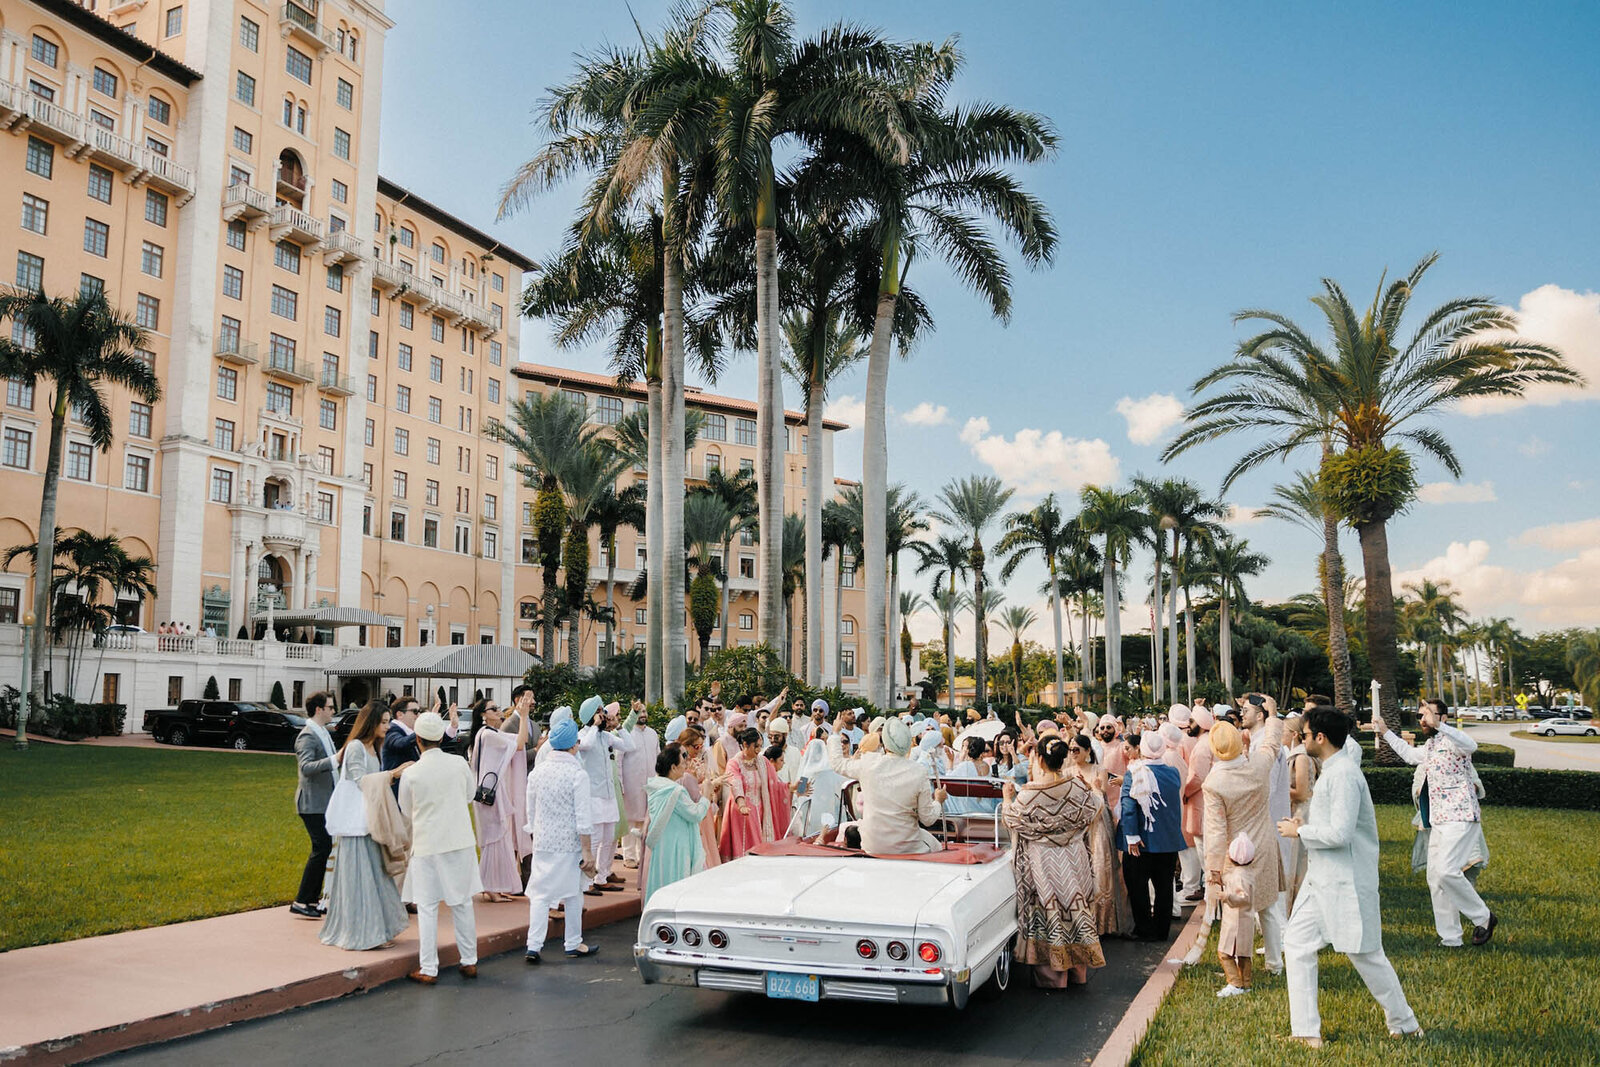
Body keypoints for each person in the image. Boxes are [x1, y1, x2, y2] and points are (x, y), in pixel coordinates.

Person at [1278, 709, 1422, 1047]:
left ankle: (1406, 1024)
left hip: (1345, 880)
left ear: (1320, 738)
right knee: (1296, 944)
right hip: (1323, 877)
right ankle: (1306, 1033)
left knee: (1366, 953)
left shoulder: (1343, 775)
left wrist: (1300, 833)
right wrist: (1306, 828)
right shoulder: (1335, 770)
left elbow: (1341, 834)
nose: (1302, 738)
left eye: (1306, 733)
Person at [1377, 698, 1496, 947]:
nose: (1422, 720)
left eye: (1427, 715)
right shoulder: (1431, 746)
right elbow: (1410, 755)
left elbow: (1471, 744)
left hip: (1460, 816)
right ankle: (1450, 938)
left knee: (1447, 871)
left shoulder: (1454, 741)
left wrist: (1440, 726)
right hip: (1438, 820)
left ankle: (1484, 918)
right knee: (1435, 878)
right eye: (1420, 716)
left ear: (1442, 717)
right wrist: (1386, 732)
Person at [1002, 734, 1106, 987]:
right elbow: (1096, 806)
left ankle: (1053, 977)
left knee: (1049, 910)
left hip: (1044, 861)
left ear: (1038, 757)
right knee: (1075, 906)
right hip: (1074, 857)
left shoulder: (1029, 795)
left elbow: (1014, 821)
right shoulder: (1078, 786)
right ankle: (1077, 971)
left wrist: (1007, 799)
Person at [1203, 714, 1286, 989]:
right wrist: (1272, 715)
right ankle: (1275, 963)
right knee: (1269, 906)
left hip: (1233, 854)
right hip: (1263, 843)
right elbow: (1273, 743)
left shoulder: (1214, 783)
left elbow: (1215, 832)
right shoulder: (1258, 766)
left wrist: (1213, 871)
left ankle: (1238, 969)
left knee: (1236, 913)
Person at [398, 711, 480, 984]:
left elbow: (406, 811)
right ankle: (469, 960)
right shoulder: (458, 764)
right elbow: (470, 795)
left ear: (417, 740)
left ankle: (429, 967)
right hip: (459, 840)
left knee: (428, 906)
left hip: (427, 843)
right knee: (462, 902)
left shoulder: (411, 773)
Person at [321, 701, 410, 950]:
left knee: (376, 874)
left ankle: (378, 928)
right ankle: (363, 931)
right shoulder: (356, 747)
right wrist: (393, 774)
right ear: (370, 723)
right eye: (383, 722)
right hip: (357, 823)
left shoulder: (374, 748)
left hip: (370, 819)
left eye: (388, 721)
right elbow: (361, 781)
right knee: (361, 876)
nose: (388, 726)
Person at [522, 717, 599, 964]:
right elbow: (583, 817)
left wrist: (536, 832)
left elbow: (530, 811)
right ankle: (573, 943)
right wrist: (587, 851)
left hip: (544, 841)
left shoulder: (538, 772)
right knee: (574, 893)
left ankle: (533, 946)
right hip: (570, 843)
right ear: (574, 745)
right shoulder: (577, 773)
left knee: (540, 894)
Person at [827, 717, 946, 855]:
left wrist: (835, 734)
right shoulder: (919, 771)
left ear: (885, 743)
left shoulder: (869, 764)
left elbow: (838, 764)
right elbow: (928, 819)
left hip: (872, 845)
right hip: (908, 847)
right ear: (908, 743)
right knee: (936, 845)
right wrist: (938, 800)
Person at [1239, 691, 1291, 968]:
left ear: (1261, 715)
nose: (1242, 714)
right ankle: (1275, 945)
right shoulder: (1257, 742)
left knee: (1270, 892)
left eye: (1246, 710)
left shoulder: (1267, 746)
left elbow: (1264, 790)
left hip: (1266, 824)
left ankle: (1281, 945)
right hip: (1263, 824)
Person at [1116, 732, 1184, 941]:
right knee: (1164, 887)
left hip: (1141, 839)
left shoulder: (1134, 773)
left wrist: (1131, 836)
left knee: (1138, 886)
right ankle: (1162, 930)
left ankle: (1145, 929)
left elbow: (1129, 806)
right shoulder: (1173, 773)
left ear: (1142, 749)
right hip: (1167, 839)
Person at [1069, 732, 1133, 938]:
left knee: (1101, 871)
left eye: (1076, 750)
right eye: (1070, 750)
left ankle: (1103, 923)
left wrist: (1087, 786)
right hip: (1076, 825)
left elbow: (1101, 793)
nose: (1073, 753)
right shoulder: (1067, 771)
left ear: (1088, 751)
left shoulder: (1099, 770)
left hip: (1097, 824)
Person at [469, 698, 529, 902]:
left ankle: (497, 885)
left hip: (491, 792)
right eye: (492, 709)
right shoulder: (486, 735)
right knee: (494, 839)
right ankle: (490, 887)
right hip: (490, 795)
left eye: (497, 707)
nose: (497, 711)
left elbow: (519, 740)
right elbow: (520, 744)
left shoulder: (490, 734)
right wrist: (524, 715)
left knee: (499, 839)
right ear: (483, 715)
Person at [576, 696, 636, 894]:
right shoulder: (584, 734)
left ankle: (602, 877)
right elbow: (585, 746)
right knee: (594, 839)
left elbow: (629, 746)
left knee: (610, 838)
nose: (604, 715)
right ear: (591, 716)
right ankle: (587, 882)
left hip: (609, 796)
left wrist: (618, 727)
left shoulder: (605, 736)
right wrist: (594, 726)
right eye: (600, 711)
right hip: (593, 796)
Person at [290, 691, 340, 919]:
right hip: (312, 804)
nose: (333, 711)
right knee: (321, 849)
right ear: (319, 709)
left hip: (323, 803)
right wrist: (334, 760)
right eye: (330, 707)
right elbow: (306, 767)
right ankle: (302, 900)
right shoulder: (308, 735)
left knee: (324, 849)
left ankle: (310, 898)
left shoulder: (322, 733)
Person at [643, 744, 713, 899]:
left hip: (663, 846)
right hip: (677, 847)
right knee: (678, 886)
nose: (686, 764)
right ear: (673, 767)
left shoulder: (657, 785)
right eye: (683, 760)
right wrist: (706, 794)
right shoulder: (675, 791)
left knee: (663, 881)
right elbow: (696, 814)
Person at [720, 727, 778, 859]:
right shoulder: (734, 763)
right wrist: (741, 805)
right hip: (741, 811)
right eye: (756, 746)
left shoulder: (763, 762)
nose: (758, 750)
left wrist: (791, 788)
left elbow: (775, 783)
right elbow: (736, 783)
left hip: (760, 810)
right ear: (745, 744)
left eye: (760, 746)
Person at [1214, 832, 1260, 996]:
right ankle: (1245, 983)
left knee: (1225, 954)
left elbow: (1242, 897)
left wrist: (1227, 896)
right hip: (1245, 921)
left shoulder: (1238, 876)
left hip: (1235, 923)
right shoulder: (1247, 872)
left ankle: (1234, 983)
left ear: (1231, 857)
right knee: (1244, 955)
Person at [618, 701, 661, 870]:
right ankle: (629, 855)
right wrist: (620, 784)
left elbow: (658, 758)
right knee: (631, 820)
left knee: (646, 819)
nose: (643, 714)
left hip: (650, 783)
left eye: (644, 711)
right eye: (639, 712)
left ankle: (642, 855)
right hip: (631, 783)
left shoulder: (653, 734)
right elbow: (619, 761)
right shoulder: (625, 733)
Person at [1178, 707, 1214, 903]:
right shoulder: (1207, 742)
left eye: (1191, 721)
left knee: (1204, 853)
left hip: (1201, 803)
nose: (1188, 725)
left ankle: (1210, 898)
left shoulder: (1202, 746)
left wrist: (1184, 793)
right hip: (1205, 801)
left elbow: (1197, 778)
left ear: (1200, 724)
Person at [1283, 714, 1319, 910]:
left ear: (1294, 734)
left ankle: (1298, 905)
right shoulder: (1293, 755)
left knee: (1299, 861)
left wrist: (1278, 789)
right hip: (1295, 810)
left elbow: (1302, 792)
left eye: (1283, 732)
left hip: (1302, 812)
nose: (1281, 735)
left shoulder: (1302, 757)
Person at [790, 735, 847, 838]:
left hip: (810, 815)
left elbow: (800, 794)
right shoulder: (830, 771)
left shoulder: (805, 772)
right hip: (829, 814)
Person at [763, 743, 793, 838]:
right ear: (772, 761)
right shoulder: (767, 776)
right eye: (781, 760)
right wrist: (790, 787)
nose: (783, 763)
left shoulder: (774, 776)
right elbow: (776, 788)